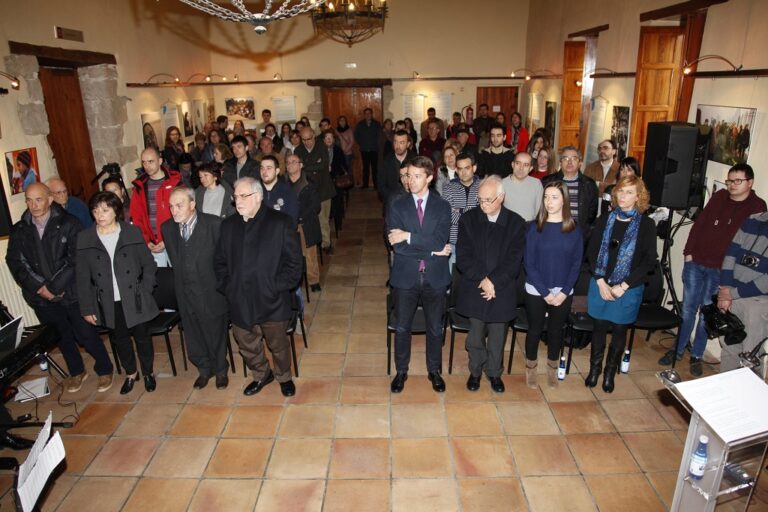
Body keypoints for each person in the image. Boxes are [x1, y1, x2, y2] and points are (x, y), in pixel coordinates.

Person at [6, 183, 115, 393]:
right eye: (29, 200)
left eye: (38, 199)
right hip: (40, 297)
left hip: (71, 291)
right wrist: (39, 287)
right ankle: (77, 371)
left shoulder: (69, 223)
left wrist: (55, 287)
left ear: (49, 199)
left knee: (85, 333)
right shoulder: (20, 229)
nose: (33, 204)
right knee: (61, 335)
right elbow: (15, 261)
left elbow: (76, 258)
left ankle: (104, 368)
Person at [659, 163, 766, 374]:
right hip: (696, 263)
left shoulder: (757, 208)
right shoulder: (719, 197)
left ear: (750, 183)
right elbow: (700, 224)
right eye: (729, 181)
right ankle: (678, 349)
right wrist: (688, 253)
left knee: (708, 314)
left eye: (737, 181)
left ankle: (696, 355)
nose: (732, 185)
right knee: (688, 309)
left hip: (722, 272)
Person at [215, 177, 302, 397]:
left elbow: (294, 265)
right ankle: (262, 374)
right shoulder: (228, 226)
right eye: (236, 196)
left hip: (271, 299)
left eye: (243, 196)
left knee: (278, 344)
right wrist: (229, 287)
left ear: (258, 197)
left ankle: (284, 376)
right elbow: (219, 262)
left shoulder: (280, 222)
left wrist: (274, 286)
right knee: (246, 343)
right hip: (240, 300)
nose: (238, 201)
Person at [76, 191, 159, 394]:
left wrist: (146, 289)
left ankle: (148, 372)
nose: (100, 215)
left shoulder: (131, 232)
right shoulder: (85, 238)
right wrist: (87, 307)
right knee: (120, 339)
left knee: (142, 338)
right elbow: (82, 278)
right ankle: (131, 373)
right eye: (95, 211)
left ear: (115, 211)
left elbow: (148, 264)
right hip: (108, 300)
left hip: (135, 297)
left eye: (105, 210)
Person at [585, 175, 657, 393]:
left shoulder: (646, 224)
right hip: (600, 284)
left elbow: (648, 261)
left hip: (628, 288)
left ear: (638, 197)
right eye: (620, 191)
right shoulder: (604, 219)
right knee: (598, 328)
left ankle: (609, 373)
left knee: (618, 330)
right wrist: (601, 281)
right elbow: (591, 251)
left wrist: (623, 285)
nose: (623, 196)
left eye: (629, 192)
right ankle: (595, 369)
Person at [387, 156, 452, 394]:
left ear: (429, 178)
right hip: (406, 277)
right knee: (402, 328)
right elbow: (397, 246)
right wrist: (433, 251)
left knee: (435, 328)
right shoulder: (397, 205)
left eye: (416, 176)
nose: (410, 181)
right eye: (407, 176)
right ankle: (401, 371)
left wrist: (409, 236)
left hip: (435, 278)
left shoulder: (442, 206)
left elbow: (439, 240)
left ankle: (434, 371)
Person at [456, 176, 525, 393]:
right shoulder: (468, 219)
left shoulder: (516, 223)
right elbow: (463, 256)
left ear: (501, 198)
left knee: (497, 335)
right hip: (476, 286)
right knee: (475, 335)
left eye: (488, 200)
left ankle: (494, 373)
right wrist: (483, 280)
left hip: (501, 289)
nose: (483, 205)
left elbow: (514, 261)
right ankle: (475, 371)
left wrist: (493, 281)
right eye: (480, 200)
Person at [162, 186, 229, 390]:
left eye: (179, 205)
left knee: (215, 332)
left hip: (210, 291)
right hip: (185, 292)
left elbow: (225, 261)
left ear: (192, 204)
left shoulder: (214, 224)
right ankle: (204, 369)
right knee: (193, 333)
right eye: (171, 206)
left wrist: (222, 288)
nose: (174, 210)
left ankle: (220, 370)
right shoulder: (168, 228)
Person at [523, 182, 583, 388]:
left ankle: (551, 367)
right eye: (546, 197)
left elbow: (577, 263)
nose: (549, 202)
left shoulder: (574, 228)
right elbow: (528, 263)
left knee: (556, 331)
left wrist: (564, 292)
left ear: (564, 200)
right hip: (536, 288)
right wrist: (545, 292)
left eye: (554, 197)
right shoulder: (534, 227)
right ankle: (531, 368)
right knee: (535, 330)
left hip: (563, 291)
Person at [716, 211, 768, 372]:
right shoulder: (753, 220)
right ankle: (725, 389)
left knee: (750, 356)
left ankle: (750, 396)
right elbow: (731, 254)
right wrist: (725, 289)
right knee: (729, 347)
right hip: (731, 294)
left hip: (759, 303)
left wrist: (731, 294)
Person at [130, 147, 182, 266]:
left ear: (160, 161)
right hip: (152, 242)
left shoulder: (175, 183)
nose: (147, 166)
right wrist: (146, 240)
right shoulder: (140, 187)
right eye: (144, 162)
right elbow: (136, 217)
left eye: (151, 161)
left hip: (174, 240)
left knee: (179, 276)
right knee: (159, 279)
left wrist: (167, 239)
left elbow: (183, 215)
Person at [542, 146, 599, 239]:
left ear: (580, 162)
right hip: (551, 231)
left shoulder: (589, 184)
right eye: (565, 158)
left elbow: (592, 213)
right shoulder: (547, 181)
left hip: (578, 234)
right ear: (560, 162)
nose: (569, 162)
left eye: (574, 158)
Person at [286, 154, 322, 292]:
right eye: (288, 162)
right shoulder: (282, 183)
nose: (290, 164)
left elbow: (315, 206)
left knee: (309, 253)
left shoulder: (309, 183)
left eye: (293, 162)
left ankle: (314, 280)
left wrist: (299, 217)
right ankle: (295, 280)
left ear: (301, 165)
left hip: (305, 223)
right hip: (288, 223)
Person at [295, 127, 335, 252]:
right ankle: (311, 244)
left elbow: (324, 164)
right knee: (310, 219)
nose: (307, 142)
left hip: (323, 188)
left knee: (323, 219)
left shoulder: (321, 146)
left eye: (309, 139)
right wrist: (314, 165)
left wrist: (306, 165)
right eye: (304, 139)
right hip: (307, 190)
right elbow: (298, 168)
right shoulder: (298, 150)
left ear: (314, 136)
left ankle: (326, 244)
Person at [442, 152, 479, 271]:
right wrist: (472, 212)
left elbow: (483, 214)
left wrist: (459, 210)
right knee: (452, 282)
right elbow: (447, 215)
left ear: (474, 168)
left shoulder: (483, 186)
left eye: (467, 168)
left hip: (477, 242)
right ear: (456, 170)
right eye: (460, 169)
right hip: (454, 242)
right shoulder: (448, 187)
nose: (463, 172)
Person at [501, 151, 543, 222]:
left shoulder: (536, 184)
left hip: (529, 228)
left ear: (530, 168)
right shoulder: (501, 184)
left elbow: (540, 212)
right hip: (508, 228)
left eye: (526, 165)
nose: (521, 168)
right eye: (518, 163)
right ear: (512, 165)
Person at [378, 129, 416, 205]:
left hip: (412, 203)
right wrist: (393, 199)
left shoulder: (415, 160)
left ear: (408, 144)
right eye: (395, 142)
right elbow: (381, 186)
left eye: (401, 142)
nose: (397, 146)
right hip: (391, 202)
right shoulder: (385, 161)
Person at [260, 155, 299, 224]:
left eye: (268, 168)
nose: (264, 172)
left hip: (280, 233)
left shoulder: (288, 192)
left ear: (277, 171)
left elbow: (292, 222)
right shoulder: (254, 191)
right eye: (262, 168)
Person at [354, 108, 382, 189]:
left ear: (371, 114)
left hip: (374, 149)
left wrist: (377, 144)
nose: (367, 115)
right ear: (364, 115)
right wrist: (361, 143)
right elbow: (356, 135)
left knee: (375, 168)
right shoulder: (360, 124)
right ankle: (365, 184)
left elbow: (380, 136)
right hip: (364, 149)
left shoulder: (377, 124)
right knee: (365, 168)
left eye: (369, 113)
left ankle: (376, 185)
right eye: (366, 113)